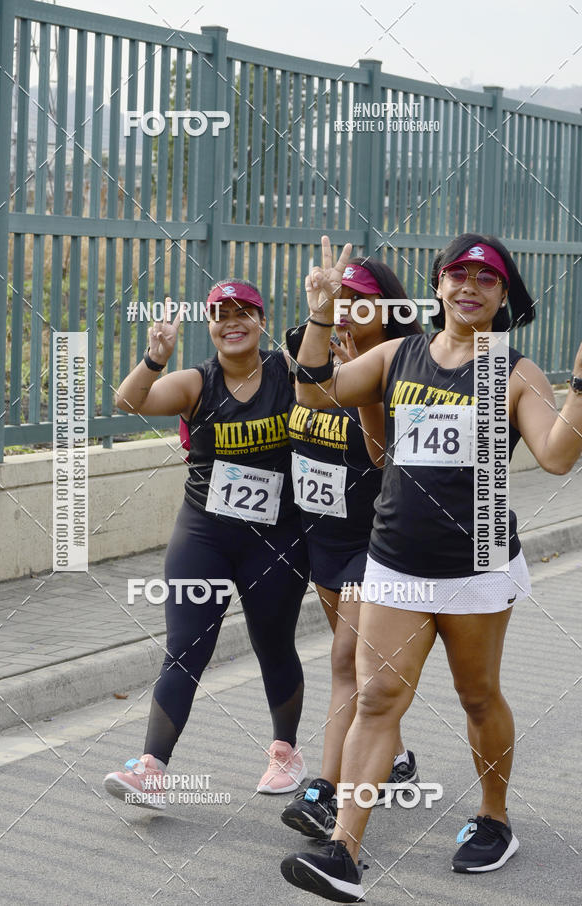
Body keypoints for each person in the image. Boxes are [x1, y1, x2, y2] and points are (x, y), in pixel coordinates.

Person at [281, 234, 582, 901]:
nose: (470, 284)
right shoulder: (397, 355)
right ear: (439, 286)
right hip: (394, 560)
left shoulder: (512, 369)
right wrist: (323, 314)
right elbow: (314, 395)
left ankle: (495, 818)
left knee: (478, 697)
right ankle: (344, 854)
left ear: (503, 296)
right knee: (378, 698)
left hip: (476, 562)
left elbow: (559, 456)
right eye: (458, 273)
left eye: (487, 278)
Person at [103, 280, 310, 808]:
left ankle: (285, 752)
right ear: (210, 324)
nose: (232, 321)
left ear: (262, 320)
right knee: (186, 646)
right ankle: (152, 768)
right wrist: (154, 358)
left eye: (244, 312)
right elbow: (130, 401)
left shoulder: (288, 372)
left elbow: (329, 365)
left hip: (277, 538)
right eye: (220, 314)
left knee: (273, 642)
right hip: (205, 535)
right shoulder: (199, 381)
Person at [280, 258, 421, 841]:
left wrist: (356, 388)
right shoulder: (306, 348)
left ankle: (325, 792)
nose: (345, 310)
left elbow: (385, 454)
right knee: (368, 673)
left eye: (358, 299)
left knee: (344, 663)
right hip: (325, 536)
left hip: (376, 541)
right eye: (338, 298)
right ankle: (396, 757)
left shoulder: (406, 365)